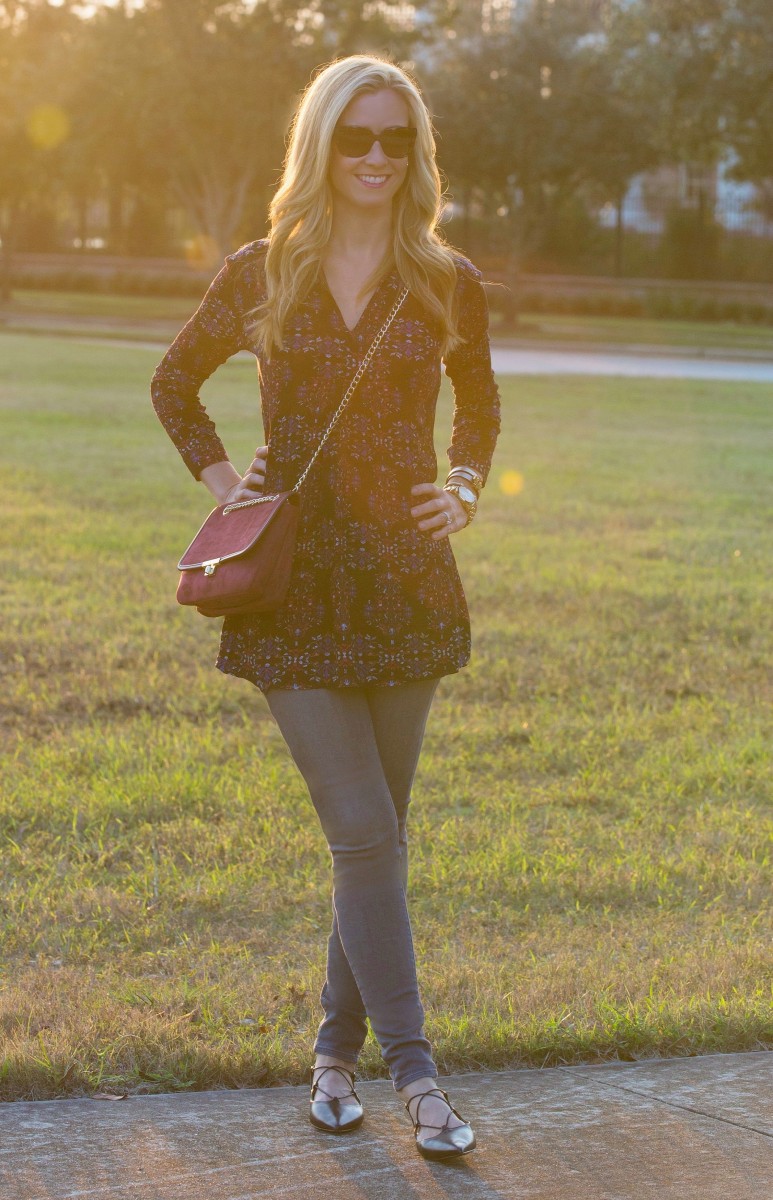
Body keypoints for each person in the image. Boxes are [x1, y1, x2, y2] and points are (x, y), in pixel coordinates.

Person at [150, 53, 500, 1162]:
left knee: (376, 845)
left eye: (395, 140)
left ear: (416, 154)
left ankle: (330, 1057)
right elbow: (173, 381)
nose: (375, 158)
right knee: (362, 833)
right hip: (293, 592)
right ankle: (418, 1079)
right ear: (320, 143)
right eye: (356, 135)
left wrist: (462, 488)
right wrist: (223, 487)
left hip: (406, 584)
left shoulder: (444, 277)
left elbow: (480, 404)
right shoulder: (263, 271)